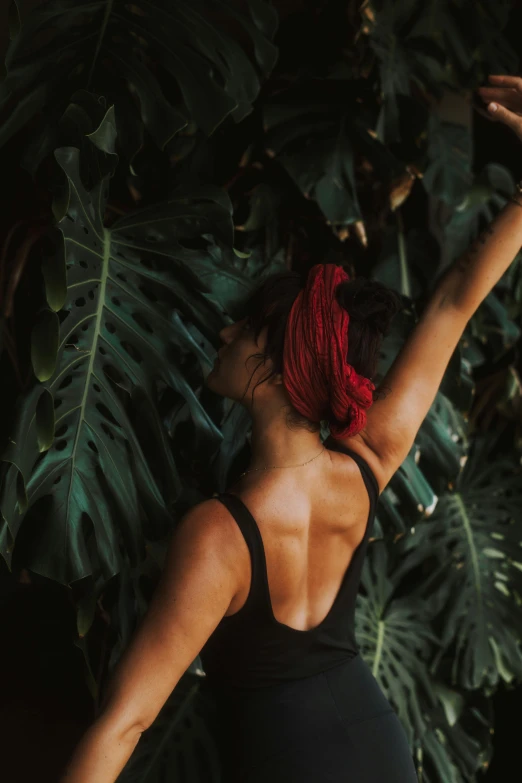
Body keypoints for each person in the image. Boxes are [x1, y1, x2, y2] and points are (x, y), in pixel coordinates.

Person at [58, 73, 522, 783]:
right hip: (378, 747)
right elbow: (455, 303)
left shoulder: (220, 537)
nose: (225, 330)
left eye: (244, 327)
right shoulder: (367, 466)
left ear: (277, 365)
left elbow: (125, 720)